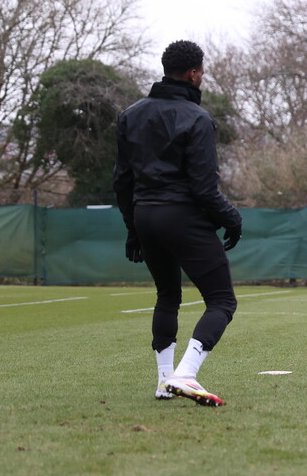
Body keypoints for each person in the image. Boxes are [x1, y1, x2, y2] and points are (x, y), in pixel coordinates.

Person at [113, 40, 243, 407]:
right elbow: (204, 188)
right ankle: (185, 375)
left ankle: (163, 381)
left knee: (168, 295)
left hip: (145, 215)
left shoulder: (130, 114)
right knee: (221, 301)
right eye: (201, 73)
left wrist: (133, 228)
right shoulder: (197, 118)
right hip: (181, 216)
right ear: (193, 73)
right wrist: (232, 219)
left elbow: (122, 181)